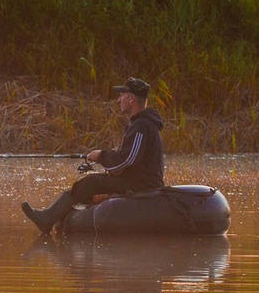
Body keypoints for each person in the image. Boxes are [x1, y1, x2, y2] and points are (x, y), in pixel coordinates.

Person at [21, 77, 165, 233]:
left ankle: (47, 218)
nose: (118, 100)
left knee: (90, 183)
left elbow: (128, 159)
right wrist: (105, 163)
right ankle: (55, 217)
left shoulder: (141, 125)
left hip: (143, 185)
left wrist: (101, 156)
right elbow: (128, 155)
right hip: (136, 180)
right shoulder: (140, 123)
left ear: (131, 99)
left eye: (121, 95)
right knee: (92, 182)